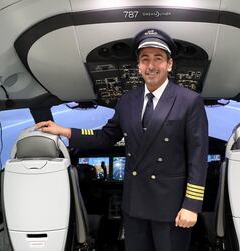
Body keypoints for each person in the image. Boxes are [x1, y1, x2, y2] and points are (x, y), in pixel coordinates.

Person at [35, 28, 208, 251]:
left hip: (171, 208)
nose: (151, 66)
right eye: (145, 59)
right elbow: (106, 136)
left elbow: (198, 156)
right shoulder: (128, 101)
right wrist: (66, 131)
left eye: (158, 58)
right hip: (134, 205)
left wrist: (192, 205)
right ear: (138, 66)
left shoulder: (189, 101)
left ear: (169, 64)